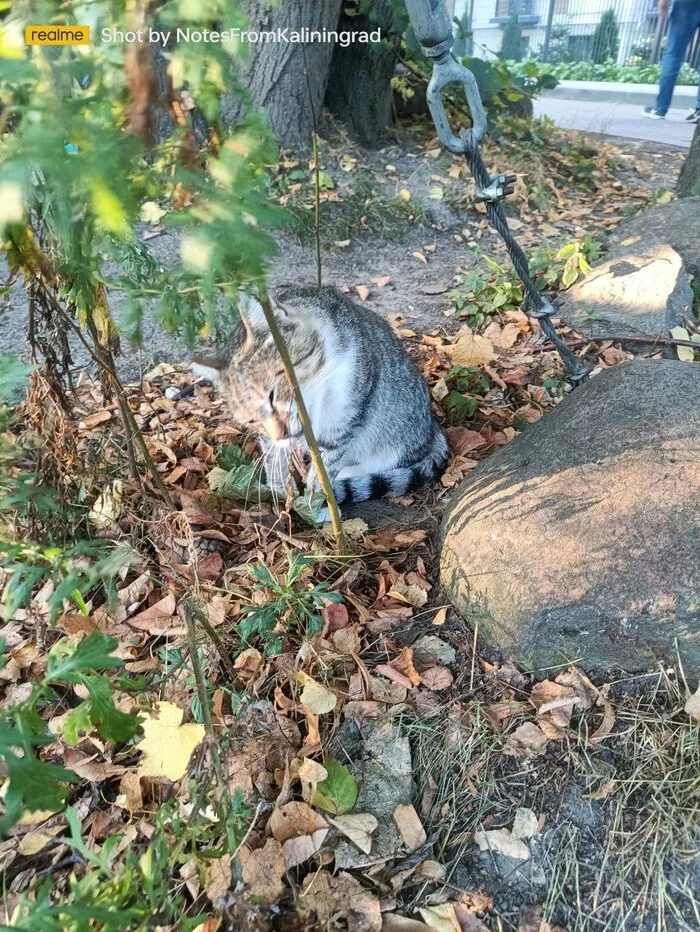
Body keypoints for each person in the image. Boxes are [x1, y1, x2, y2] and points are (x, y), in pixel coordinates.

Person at [643, 0, 700, 121]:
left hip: (686, 5)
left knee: (674, 53)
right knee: (674, 53)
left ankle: (660, 109)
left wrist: (664, 2)